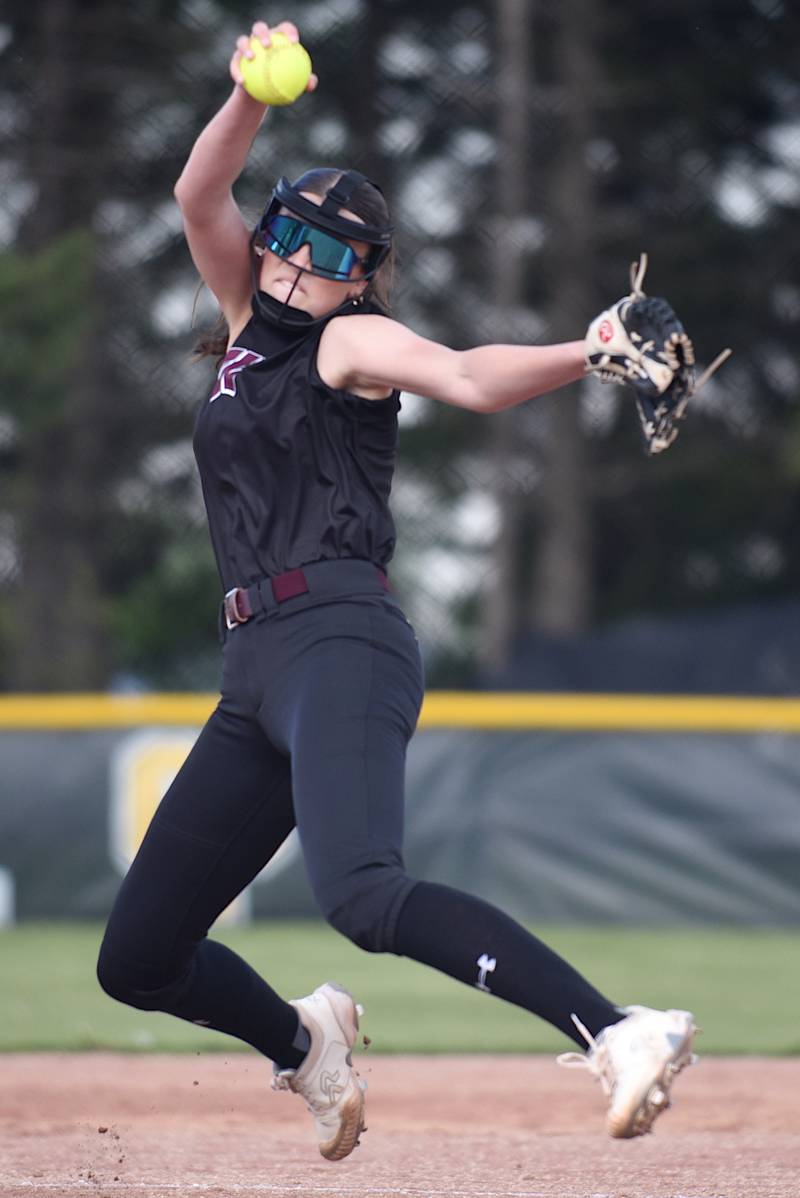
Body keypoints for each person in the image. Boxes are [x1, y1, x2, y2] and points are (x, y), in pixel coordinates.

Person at [96, 17, 697, 1162]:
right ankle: (304, 1042)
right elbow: (195, 189)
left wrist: (587, 350)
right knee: (137, 960)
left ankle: (618, 1028)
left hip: (340, 641)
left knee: (362, 893)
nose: (294, 264)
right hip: (253, 669)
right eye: (287, 236)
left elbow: (468, 376)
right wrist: (250, 95)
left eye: (329, 257)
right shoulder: (243, 331)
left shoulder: (345, 346)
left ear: (361, 279)